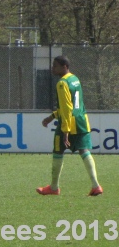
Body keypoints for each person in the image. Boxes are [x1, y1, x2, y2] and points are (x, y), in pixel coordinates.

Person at [36, 55, 103, 197]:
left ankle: (54, 188)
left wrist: (65, 130)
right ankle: (96, 186)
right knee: (84, 150)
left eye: (55, 65)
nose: (52, 68)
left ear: (64, 67)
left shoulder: (62, 83)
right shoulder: (75, 79)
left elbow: (66, 108)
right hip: (81, 120)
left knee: (58, 151)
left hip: (68, 122)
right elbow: (73, 105)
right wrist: (52, 116)